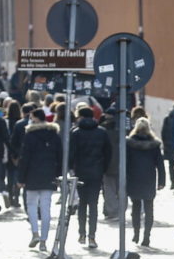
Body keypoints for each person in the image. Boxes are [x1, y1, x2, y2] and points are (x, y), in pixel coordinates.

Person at [17, 108, 62, 251]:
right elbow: (60, 157)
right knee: (46, 208)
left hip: (32, 175)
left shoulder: (30, 135)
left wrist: (21, 178)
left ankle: (35, 233)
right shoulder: (54, 135)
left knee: (31, 205)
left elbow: (24, 158)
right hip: (49, 175)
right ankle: (43, 240)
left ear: (36, 118)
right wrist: (58, 175)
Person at [69, 107, 111, 249]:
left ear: (80, 117)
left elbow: (71, 153)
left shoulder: (76, 132)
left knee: (82, 203)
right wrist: (103, 168)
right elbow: (108, 152)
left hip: (81, 171)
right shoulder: (102, 132)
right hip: (96, 172)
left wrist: (71, 168)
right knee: (93, 204)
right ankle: (92, 237)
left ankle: (82, 233)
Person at [125, 117, 166, 247]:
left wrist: (124, 179)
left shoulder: (129, 143)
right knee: (149, 208)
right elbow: (160, 164)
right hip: (149, 178)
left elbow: (125, 163)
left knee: (135, 207)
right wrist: (162, 181)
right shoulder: (154, 145)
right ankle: (146, 236)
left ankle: (136, 233)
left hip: (134, 177)